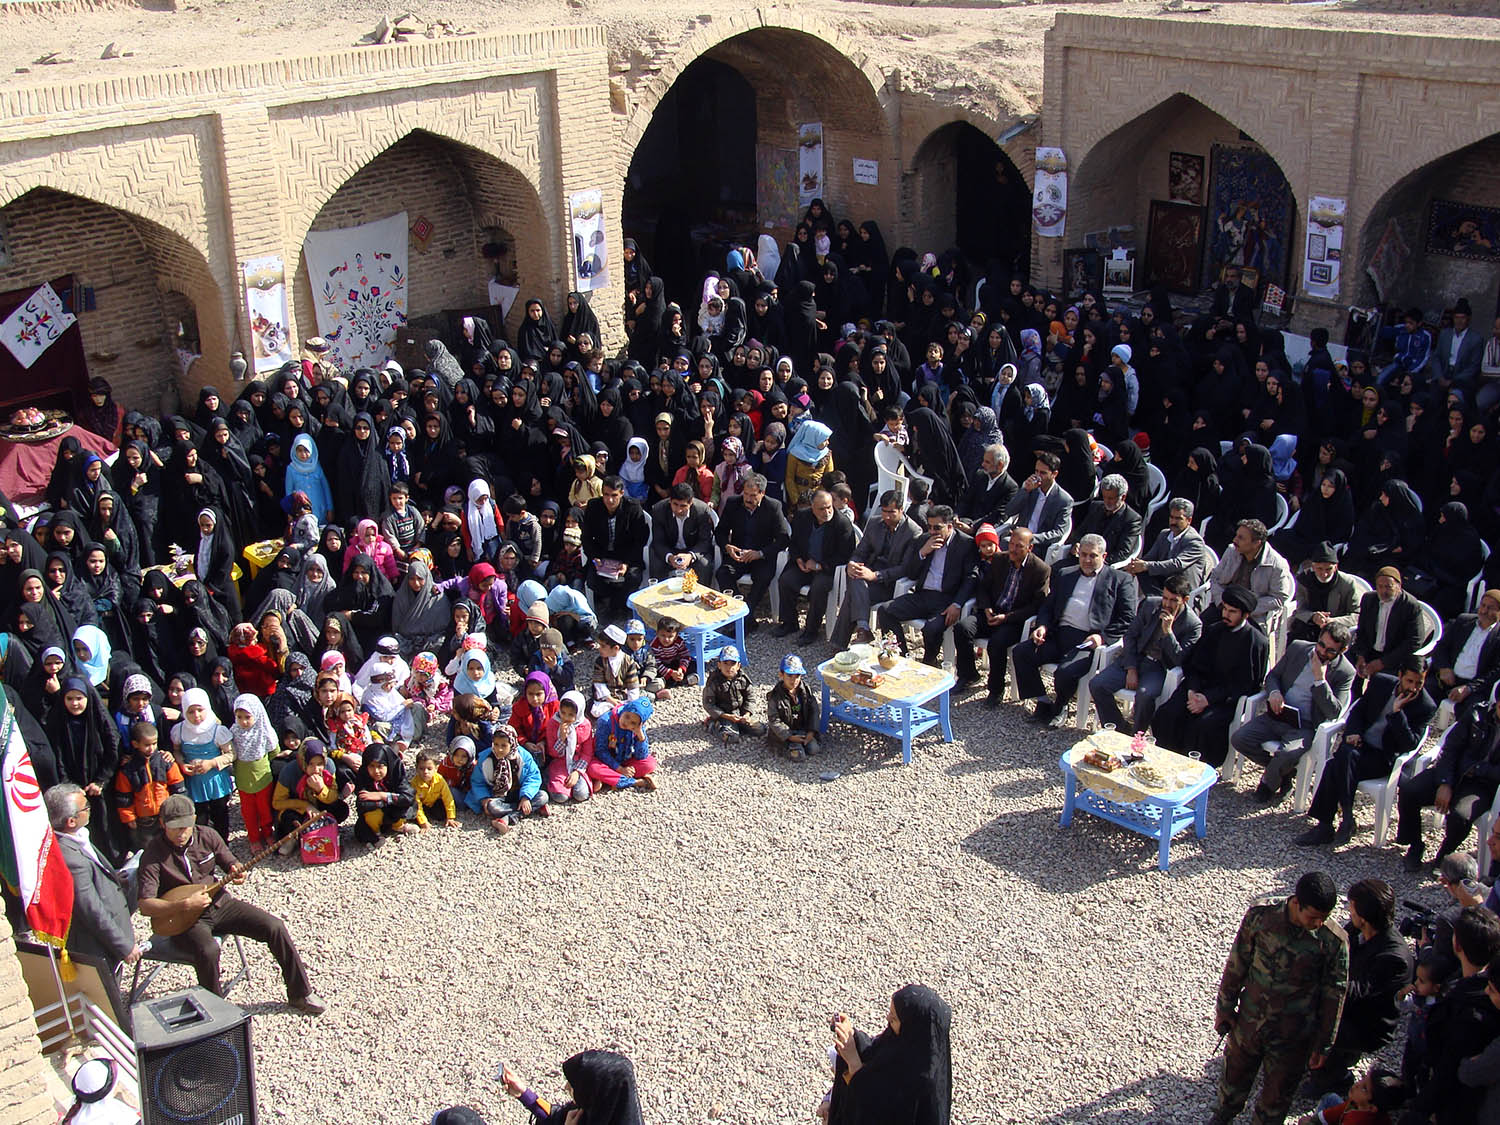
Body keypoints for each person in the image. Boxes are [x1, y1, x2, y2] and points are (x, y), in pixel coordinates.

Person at [136, 793, 325, 1013]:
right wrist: (183, 905)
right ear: (162, 823)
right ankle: (216, 1012)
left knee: (275, 927)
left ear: (194, 819)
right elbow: (146, 905)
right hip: (186, 920)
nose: (181, 833)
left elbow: (229, 862)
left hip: (220, 904)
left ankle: (300, 994)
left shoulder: (207, 835)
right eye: (174, 827)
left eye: (185, 826)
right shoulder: (153, 855)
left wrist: (236, 870)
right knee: (208, 951)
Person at [1210, 870, 1349, 1125]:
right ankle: (1222, 1116)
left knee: (1276, 1100)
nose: (1318, 924)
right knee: (1232, 1083)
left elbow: (1334, 994)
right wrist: (1225, 1008)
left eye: (1324, 918)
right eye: (1313, 917)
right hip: (1249, 1025)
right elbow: (1237, 963)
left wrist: (1323, 1044)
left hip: (1293, 1036)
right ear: (1296, 903)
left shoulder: (1333, 941)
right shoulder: (1261, 917)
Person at [1298, 660, 1435, 848]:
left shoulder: (1425, 706)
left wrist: (1397, 713)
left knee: (1335, 763)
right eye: (1410, 681)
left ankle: (1329, 824)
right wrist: (1354, 732)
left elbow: (1409, 744)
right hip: (1361, 746)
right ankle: (1343, 819)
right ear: (1400, 675)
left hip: (1382, 757)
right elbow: (1359, 710)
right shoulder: (1381, 683)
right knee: (1343, 756)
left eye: (1419, 683)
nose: (1413, 688)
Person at [1301, 880, 1413, 1099]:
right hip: (1348, 1003)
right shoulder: (1357, 930)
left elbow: (1356, 993)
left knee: (1311, 1018)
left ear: (1363, 917)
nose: (1348, 912)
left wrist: (1314, 984)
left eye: (1351, 908)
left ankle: (1335, 1075)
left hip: (1366, 1023)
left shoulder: (1393, 958)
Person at [1012, 533, 1137, 726]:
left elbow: (1127, 618)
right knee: (1021, 652)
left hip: (1086, 641)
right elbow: (1047, 606)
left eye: (1093, 556)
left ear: (1103, 557)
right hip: (1058, 633)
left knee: (1065, 672)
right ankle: (1043, 702)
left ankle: (1061, 706)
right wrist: (1043, 626)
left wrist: (1103, 638)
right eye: (1084, 555)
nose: (1087, 560)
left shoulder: (1119, 580)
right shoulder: (1065, 574)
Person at [1230, 623, 1356, 804]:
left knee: (1288, 754)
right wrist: (1274, 693)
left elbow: (1334, 712)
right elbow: (1273, 677)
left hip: (1305, 725)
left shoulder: (1345, 672)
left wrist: (1320, 680)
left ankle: (1267, 784)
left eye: (1330, 651)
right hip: (1279, 714)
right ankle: (1283, 772)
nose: (1322, 652)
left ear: (1342, 650)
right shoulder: (1299, 648)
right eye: (1321, 645)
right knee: (1240, 738)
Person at [1401, 907, 1500, 1125]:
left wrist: (1421, 1109)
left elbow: (1448, 1069)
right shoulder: (1492, 990)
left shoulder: (1466, 1008)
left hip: (1460, 1103)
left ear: (1457, 945)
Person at [1152, 584, 1269, 765]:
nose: (1226, 615)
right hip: (1198, 687)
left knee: (1204, 725)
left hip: (1225, 698)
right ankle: (1165, 761)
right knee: (1168, 713)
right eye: (1225, 609)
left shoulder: (1256, 642)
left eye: (1232, 612)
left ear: (1245, 615)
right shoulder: (1214, 630)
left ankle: (1195, 768)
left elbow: (1246, 684)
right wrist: (1192, 690)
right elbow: (1194, 665)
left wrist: (1208, 699)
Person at [1395, 679, 1500, 871]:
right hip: (1454, 770)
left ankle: (1444, 856)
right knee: (1410, 791)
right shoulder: (1477, 714)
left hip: (1482, 785)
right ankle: (1415, 845)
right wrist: (1445, 783)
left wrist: (1477, 769)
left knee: (1460, 816)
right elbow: (1451, 748)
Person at [1087, 574, 1201, 735]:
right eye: (1165, 598)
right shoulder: (1150, 605)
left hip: (1159, 667)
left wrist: (1168, 633)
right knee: (1097, 684)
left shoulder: (1192, 624)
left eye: (1173, 600)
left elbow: (1180, 659)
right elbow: (1130, 635)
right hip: (1136, 657)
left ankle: (1137, 736)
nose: (1167, 604)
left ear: (1185, 600)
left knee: (1145, 696)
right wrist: (1131, 668)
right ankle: (1118, 729)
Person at [45, 783, 141, 972]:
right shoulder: (70, 858)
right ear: (71, 821)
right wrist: (123, 944)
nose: (90, 809)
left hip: (108, 936)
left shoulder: (75, 837)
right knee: (106, 997)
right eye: (85, 807)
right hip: (99, 945)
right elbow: (91, 909)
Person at [825, 983, 952, 1125]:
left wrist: (853, 1062)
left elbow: (876, 1110)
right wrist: (851, 1036)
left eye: (894, 1018)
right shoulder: (903, 1042)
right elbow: (874, 1051)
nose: (887, 1018)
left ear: (912, 1028)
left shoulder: (921, 1083)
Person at [875, 505, 980, 668]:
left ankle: (929, 661)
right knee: (885, 611)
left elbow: (971, 578)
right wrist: (922, 553)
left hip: (947, 599)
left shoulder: (965, 544)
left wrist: (957, 604)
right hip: (923, 595)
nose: (932, 532)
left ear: (950, 526)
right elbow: (910, 573)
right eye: (929, 527)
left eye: (937, 528)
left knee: (932, 629)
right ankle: (901, 657)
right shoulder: (924, 540)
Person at [959, 524, 1051, 704]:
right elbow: (983, 588)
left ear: (1029, 548)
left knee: (997, 643)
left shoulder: (1040, 570)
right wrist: (986, 609)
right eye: (1012, 544)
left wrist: (1007, 618)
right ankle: (968, 674)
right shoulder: (1000, 559)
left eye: (1019, 546)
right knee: (963, 628)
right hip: (992, 612)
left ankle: (995, 689)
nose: (1013, 549)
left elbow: (1036, 605)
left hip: (1014, 620)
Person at [833, 489, 923, 648]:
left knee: (852, 594)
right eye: (884, 511)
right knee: (855, 576)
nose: (887, 516)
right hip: (868, 577)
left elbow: (905, 569)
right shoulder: (875, 523)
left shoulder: (913, 532)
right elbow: (861, 551)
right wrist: (853, 563)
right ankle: (863, 629)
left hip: (891, 583)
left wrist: (875, 575)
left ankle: (842, 642)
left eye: (892, 512)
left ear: (901, 510)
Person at [776, 488, 857, 641]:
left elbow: (845, 555)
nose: (826, 512)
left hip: (827, 569)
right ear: (812, 508)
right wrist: (799, 559)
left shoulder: (842, 524)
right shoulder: (802, 517)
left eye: (829, 507)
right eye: (821, 509)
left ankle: (812, 629)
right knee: (786, 580)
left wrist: (819, 566)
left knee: (819, 588)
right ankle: (789, 622)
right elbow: (793, 543)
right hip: (805, 564)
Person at [714, 473, 791, 630]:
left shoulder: (773, 507)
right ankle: (743, 616)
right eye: (746, 494)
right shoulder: (733, 503)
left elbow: (783, 539)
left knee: (763, 576)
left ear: (762, 493)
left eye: (753, 495)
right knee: (722, 573)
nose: (748, 499)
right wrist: (727, 547)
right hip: (739, 555)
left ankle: (743, 617)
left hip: (761, 557)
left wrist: (760, 553)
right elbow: (720, 532)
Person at [499, 1050, 645, 1125]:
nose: (566, 1087)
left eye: (574, 1085)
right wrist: (523, 1093)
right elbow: (555, 1116)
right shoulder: (595, 1112)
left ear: (594, 1093)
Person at [1427, 589, 1500, 731]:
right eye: (1483, 605)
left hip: (1473, 686)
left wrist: (1469, 688)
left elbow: (1496, 672)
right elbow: (1441, 647)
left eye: (1490, 608)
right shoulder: (1464, 621)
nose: (1484, 611)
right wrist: (1444, 668)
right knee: (1419, 693)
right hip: (1447, 677)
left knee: (1472, 716)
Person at [1207, 519, 1294, 633]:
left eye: (1241, 538)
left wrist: (1247, 608)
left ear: (1256, 543)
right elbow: (1215, 578)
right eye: (1236, 536)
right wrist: (1222, 602)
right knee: (1204, 626)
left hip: (1253, 616)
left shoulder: (1277, 565)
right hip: (1224, 607)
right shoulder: (1231, 551)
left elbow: (1279, 597)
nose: (1235, 540)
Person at [581, 476, 650, 621]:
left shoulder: (632, 508)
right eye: (606, 495)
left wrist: (626, 563)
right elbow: (586, 537)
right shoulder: (594, 507)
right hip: (602, 554)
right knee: (593, 579)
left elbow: (640, 539)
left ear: (621, 493)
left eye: (614, 496)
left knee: (632, 577)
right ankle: (613, 603)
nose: (610, 500)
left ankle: (617, 606)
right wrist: (595, 557)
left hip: (627, 555)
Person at [1350, 568, 1424, 687]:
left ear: (1398, 586)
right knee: (1347, 668)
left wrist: (1383, 663)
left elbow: (1415, 641)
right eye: (1380, 586)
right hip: (1369, 651)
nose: (1384, 591)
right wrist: (1361, 655)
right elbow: (1362, 630)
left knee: (1381, 684)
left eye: (1388, 587)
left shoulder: (1410, 605)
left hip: (1393, 656)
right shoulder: (1369, 599)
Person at [1123, 497, 1208, 598]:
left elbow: (1177, 564)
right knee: (1142, 572)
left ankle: (1158, 602)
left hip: (1182, 586)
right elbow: (1150, 557)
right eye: (1171, 517)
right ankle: (1156, 601)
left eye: (1178, 519)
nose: (1173, 522)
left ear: (1189, 520)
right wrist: (1134, 566)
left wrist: (1146, 565)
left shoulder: (1194, 541)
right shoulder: (1164, 534)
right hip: (1164, 582)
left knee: (1146, 568)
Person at [1001, 451, 1074, 552]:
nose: (1038, 476)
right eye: (1036, 471)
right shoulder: (1029, 488)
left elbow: (1058, 532)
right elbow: (1009, 511)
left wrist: (1031, 538)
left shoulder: (1063, 500)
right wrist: (1025, 491)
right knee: (1004, 543)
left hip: (1038, 544)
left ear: (1054, 474)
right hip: (1018, 538)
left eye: (1043, 473)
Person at [1289, 545, 1361, 645]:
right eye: (1320, 569)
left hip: (1335, 628)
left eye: (1328, 569)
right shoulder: (1304, 580)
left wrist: (1332, 621)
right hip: (1309, 625)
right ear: (1313, 567)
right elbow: (1300, 609)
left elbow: (1356, 615)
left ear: (1336, 567)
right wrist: (1313, 616)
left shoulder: (1347, 583)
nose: (1324, 574)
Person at [1065, 474, 1143, 565]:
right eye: (1104, 497)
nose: (1106, 501)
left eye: (1111, 498)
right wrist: (1077, 544)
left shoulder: (1131, 519)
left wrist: (1097, 561)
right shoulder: (1096, 507)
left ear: (1123, 497)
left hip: (1103, 565)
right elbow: (1080, 532)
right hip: (1081, 558)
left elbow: (1123, 553)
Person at [648, 482, 715, 582]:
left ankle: (700, 596)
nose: (678, 510)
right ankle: (660, 596)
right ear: (670, 501)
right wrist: (669, 557)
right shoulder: (659, 510)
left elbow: (705, 541)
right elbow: (658, 541)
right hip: (669, 549)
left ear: (691, 502)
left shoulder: (702, 511)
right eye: (675, 504)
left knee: (704, 565)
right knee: (656, 563)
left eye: (683, 506)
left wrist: (690, 556)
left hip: (693, 550)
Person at [702, 645, 765, 744]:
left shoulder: (743, 679)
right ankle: (712, 724)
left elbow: (750, 698)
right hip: (723, 715)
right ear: (719, 665)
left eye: (733, 663)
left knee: (761, 730)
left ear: (738, 666)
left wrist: (747, 714)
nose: (729, 667)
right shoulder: (714, 682)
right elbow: (708, 704)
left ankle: (737, 727)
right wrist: (726, 716)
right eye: (725, 663)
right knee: (731, 738)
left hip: (740, 714)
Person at [766, 653, 820, 760]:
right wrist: (789, 736)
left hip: (802, 728)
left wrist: (811, 731)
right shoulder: (775, 696)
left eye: (797, 676)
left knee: (814, 749)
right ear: (781, 675)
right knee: (798, 755)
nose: (793, 680)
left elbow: (814, 710)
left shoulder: (806, 690)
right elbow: (774, 719)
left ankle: (799, 743)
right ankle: (789, 747)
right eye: (789, 676)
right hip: (786, 732)